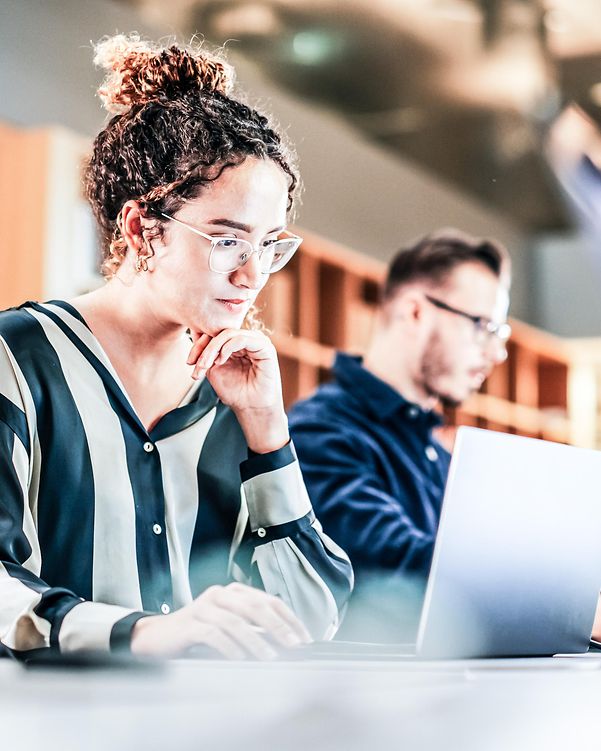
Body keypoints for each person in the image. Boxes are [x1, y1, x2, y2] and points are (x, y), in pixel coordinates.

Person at [0, 34, 352, 661]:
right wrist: (144, 634)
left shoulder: (232, 396)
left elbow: (309, 617)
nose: (252, 276)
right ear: (141, 229)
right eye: (226, 240)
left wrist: (269, 430)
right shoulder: (18, 359)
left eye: (270, 245)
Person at [288, 230, 510, 634]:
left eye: (499, 334)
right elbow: (393, 565)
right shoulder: (319, 432)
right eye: (482, 326)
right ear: (415, 313)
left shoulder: (437, 455)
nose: (496, 354)